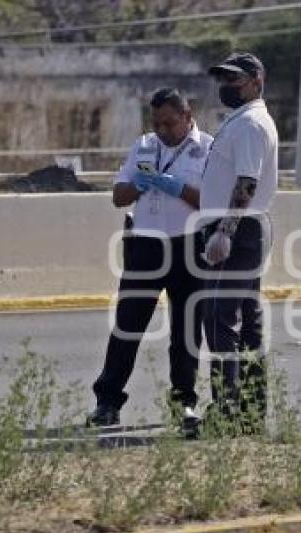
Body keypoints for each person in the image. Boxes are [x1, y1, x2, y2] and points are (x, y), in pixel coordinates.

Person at [87, 88, 213, 432]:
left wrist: (177, 188)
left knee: (186, 332)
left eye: (169, 123)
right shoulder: (143, 145)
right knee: (127, 326)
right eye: (156, 123)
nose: (162, 130)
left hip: (189, 246)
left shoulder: (209, 149)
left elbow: (214, 202)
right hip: (146, 245)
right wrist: (140, 185)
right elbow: (118, 196)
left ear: (188, 116)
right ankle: (107, 402)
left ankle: (184, 405)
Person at [199, 53, 279, 432]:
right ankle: (249, 412)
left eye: (235, 79)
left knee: (220, 318)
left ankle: (228, 412)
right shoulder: (245, 121)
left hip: (239, 229)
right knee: (246, 323)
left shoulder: (249, 124)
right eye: (224, 78)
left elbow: (246, 182)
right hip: (245, 228)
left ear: (256, 80)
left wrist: (224, 231)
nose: (227, 86)